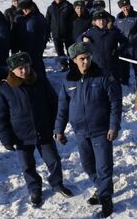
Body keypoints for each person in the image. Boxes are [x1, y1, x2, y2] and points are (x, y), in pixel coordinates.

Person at [0, 52, 73, 207]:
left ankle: (57, 183)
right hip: (20, 136)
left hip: (43, 130)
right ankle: (35, 189)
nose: (24, 71)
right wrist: (6, 139)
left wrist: (55, 126)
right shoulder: (4, 90)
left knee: (54, 160)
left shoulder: (40, 81)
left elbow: (54, 104)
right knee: (27, 165)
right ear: (12, 70)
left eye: (26, 67)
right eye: (20, 68)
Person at [55, 42, 122, 218]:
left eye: (88, 58)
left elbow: (115, 103)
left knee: (104, 166)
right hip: (80, 132)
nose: (86, 62)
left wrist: (114, 126)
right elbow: (63, 107)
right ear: (74, 60)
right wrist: (59, 130)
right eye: (82, 59)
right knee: (87, 165)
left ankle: (106, 197)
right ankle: (102, 187)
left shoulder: (103, 76)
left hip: (101, 130)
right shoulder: (69, 80)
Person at [80, 10, 128, 81]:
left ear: (107, 21)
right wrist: (83, 38)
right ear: (95, 22)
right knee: (99, 85)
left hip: (112, 65)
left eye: (103, 20)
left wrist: (118, 50)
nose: (101, 22)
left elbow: (125, 41)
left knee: (113, 85)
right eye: (99, 20)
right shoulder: (91, 32)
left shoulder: (113, 31)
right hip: (97, 65)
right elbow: (79, 39)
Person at [113, 0, 137, 90]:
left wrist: (134, 38)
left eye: (127, 6)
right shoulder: (118, 18)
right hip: (123, 46)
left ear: (130, 5)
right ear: (121, 8)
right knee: (123, 65)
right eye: (123, 7)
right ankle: (124, 81)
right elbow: (115, 30)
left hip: (134, 46)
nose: (125, 9)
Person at [14, 0, 48, 78]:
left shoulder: (31, 20)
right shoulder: (39, 15)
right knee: (39, 64)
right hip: (39, 46)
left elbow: (30, 37)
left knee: (34, 67)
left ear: (25, 9)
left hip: (31, 49)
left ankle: (39, 82)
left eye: (23, 9)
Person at [45, 0, 74, 71]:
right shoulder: (50, 8)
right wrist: (47, 33)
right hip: (56, 34)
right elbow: (48, 21)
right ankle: (64, 65)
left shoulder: (68, 6)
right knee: (59, 51)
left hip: (67, 33)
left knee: (70, 50)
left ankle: (72, 64)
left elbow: (73, 19)